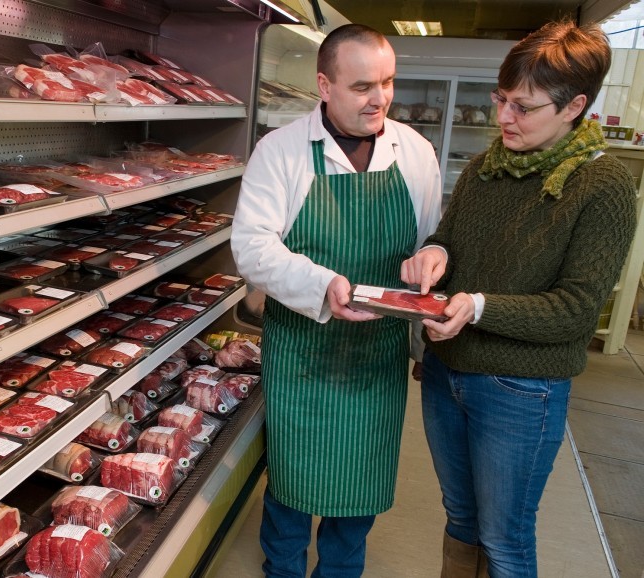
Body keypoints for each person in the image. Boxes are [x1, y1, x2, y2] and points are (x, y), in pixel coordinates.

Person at [399, 21, 637, 578]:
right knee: (461, 518)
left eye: (524, 107)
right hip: (446, 372)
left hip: (521, 391)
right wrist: (435, 256)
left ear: (574, 106)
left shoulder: (602, 189)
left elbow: (577, 309)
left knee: (505, 539)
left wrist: (479, 307)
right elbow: (449, 241)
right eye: (501, 99)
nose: (505, 117)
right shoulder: (487, 167)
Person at [231, 23, 442, 577]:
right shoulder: (280, 152)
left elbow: (431, 242)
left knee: (359, 495)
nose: (381, 99)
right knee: (292, 488)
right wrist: (322, 283)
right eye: (363, 86)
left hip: (378, 358)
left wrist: (432, 265)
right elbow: (251, 248)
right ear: (324, 85)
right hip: (303, 352)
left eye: (389, 83)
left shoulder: (415, 154)